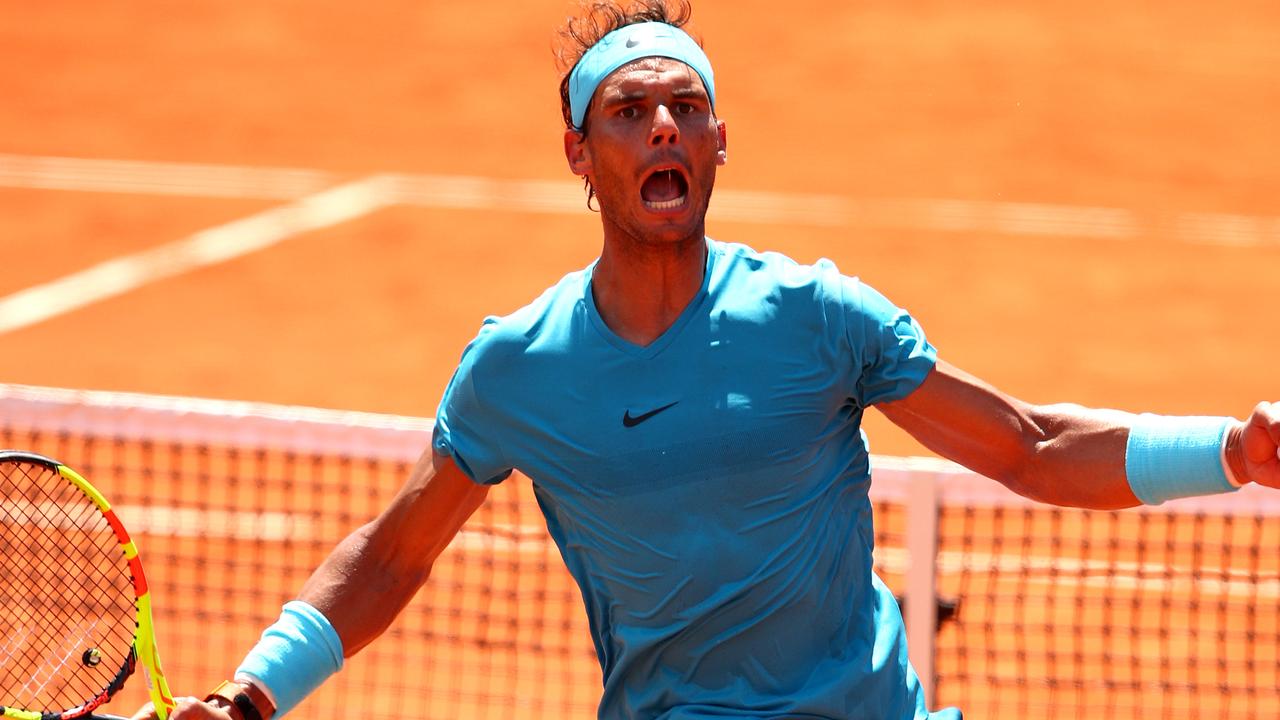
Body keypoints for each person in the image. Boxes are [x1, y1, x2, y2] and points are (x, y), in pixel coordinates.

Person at [138, 1, 1280, 719]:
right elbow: (390, 560)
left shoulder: (815, 317)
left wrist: (1233, 451)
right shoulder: (515, 371)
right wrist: (249, 697)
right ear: (579, 154)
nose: (665, 130)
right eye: (632, 113)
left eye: (687, 108)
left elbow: (1028, 449)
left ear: (721, 141)